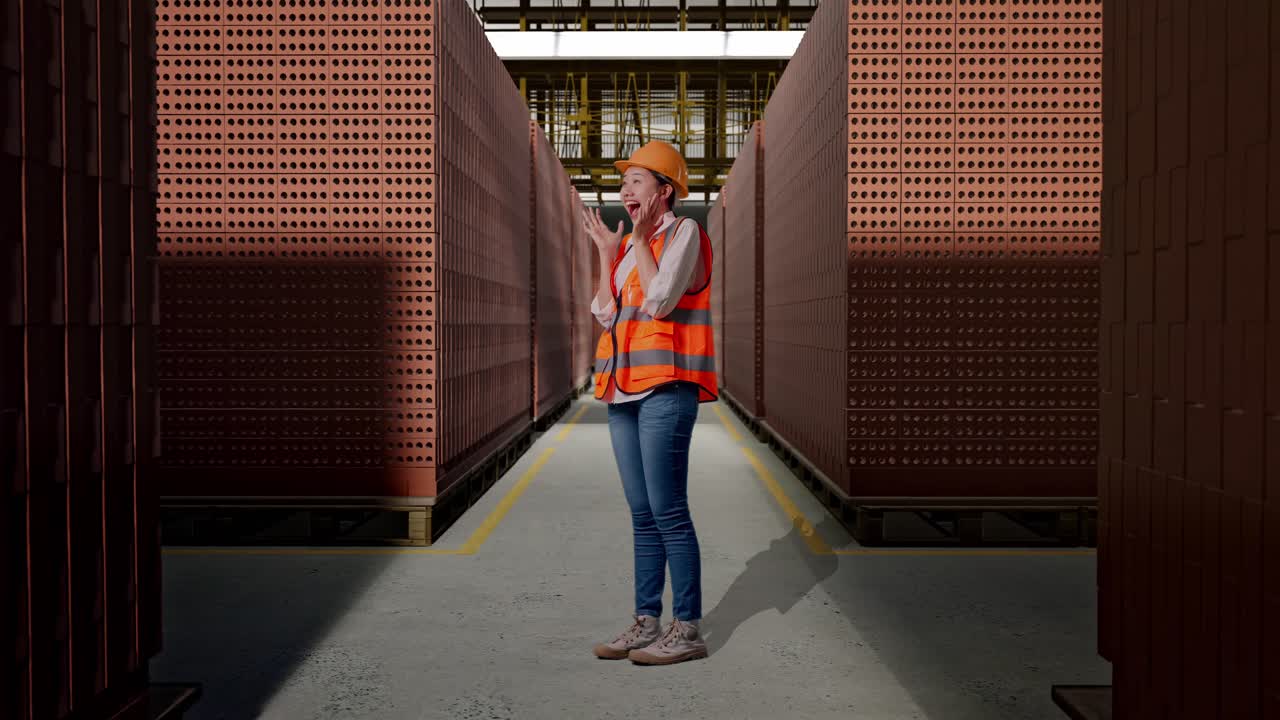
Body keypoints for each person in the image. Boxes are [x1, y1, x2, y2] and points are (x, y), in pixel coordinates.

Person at [580, 140, 718, 666]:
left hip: (666, 389)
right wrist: (606, 255)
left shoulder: (685, 233)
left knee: (669, 511)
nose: (624, 189)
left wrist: (636, 243)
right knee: (642, 513)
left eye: (635, 181)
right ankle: (646, 620)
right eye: (624, 182)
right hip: (622, 391)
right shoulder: (632, 248)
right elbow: (605, 314)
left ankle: (687, 628)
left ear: (665, 191)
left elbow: (660, 301)